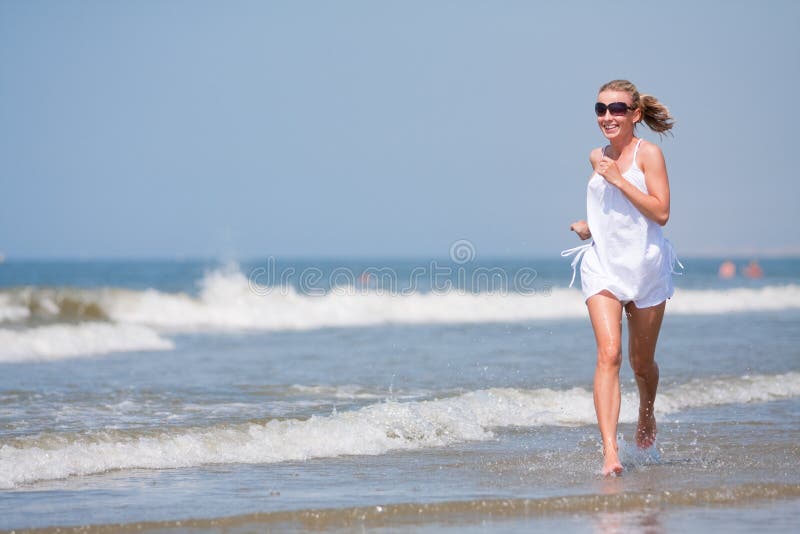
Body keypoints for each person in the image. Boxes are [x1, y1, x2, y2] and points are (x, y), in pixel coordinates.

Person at [561, 80, 681, 476]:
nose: (607, 116)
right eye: (600, 108)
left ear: (635, 114)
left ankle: (646, 411)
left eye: (616, 109)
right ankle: (610, 452)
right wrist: (589, 228)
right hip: (603, 267)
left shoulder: (650, 155)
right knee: (608, 354)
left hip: (646, 268)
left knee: (641, 363)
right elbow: (612, 215)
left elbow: (660, 214)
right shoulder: (596, 155)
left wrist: (618, 179)